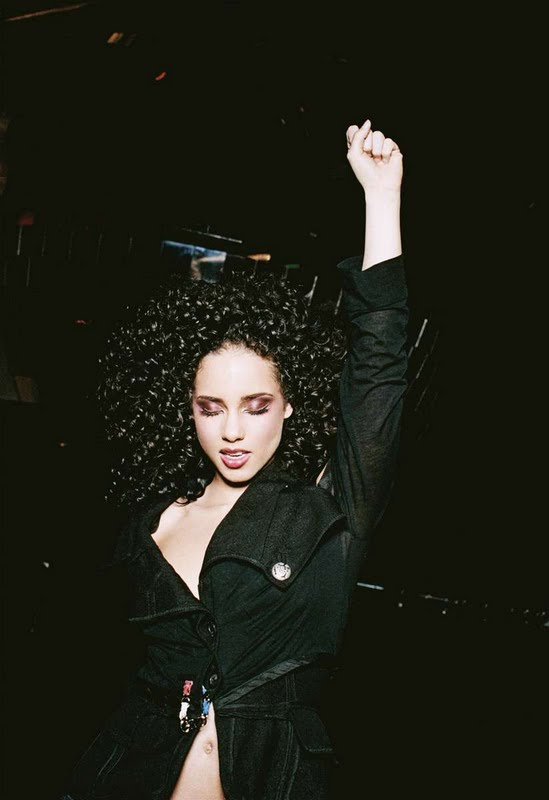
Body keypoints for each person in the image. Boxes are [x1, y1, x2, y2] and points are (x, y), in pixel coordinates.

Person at [62, 118, 408, 800]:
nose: (231, 431)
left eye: (255, 405)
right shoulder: (152, 524)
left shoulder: (325, 513)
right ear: (185, 410)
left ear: (289, 406)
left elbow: (378, 370)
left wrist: (381, 197)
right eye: (209, 407)